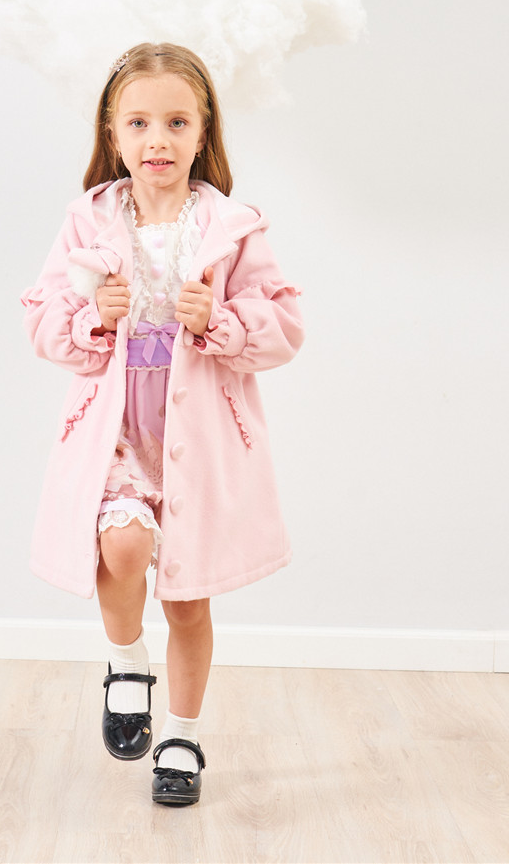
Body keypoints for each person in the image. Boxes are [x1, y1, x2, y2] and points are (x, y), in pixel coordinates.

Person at [21, 42, 304, 806]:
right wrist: (90, 317)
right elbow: (42, 318)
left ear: (203, 129)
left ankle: (182, 734)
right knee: (120, 546)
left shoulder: (231, 226)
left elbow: (284, 325)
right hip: (117, 433)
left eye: (177, 122)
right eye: (139, 122)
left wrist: (221, 320)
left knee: (186, 596)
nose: (158, 140)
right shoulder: (88, 220)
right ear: (112, 132)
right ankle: (125, 661)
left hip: (199, 441)